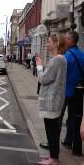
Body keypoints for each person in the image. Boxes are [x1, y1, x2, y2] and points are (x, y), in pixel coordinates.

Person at [36, 34, 68, 165]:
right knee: (53, 131)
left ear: (56, 43)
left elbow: (43, 79)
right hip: (54, 100)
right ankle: (53, 157)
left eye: (49, 42)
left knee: (52, 132)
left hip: (51, 101)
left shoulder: (57, 60)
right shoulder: (60, 59)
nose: (47, 44)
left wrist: (39, 66)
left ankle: (53, 159)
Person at [60, 31, 84, 156]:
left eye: (66, 39)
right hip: (80, 91)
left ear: (71, 41)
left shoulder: (67, 56)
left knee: (62, 117)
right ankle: (76, 147)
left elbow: (62, 75)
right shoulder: (82, 54)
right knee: (77, 117)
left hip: (68, 91)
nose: (65, 41)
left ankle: (68, 141)